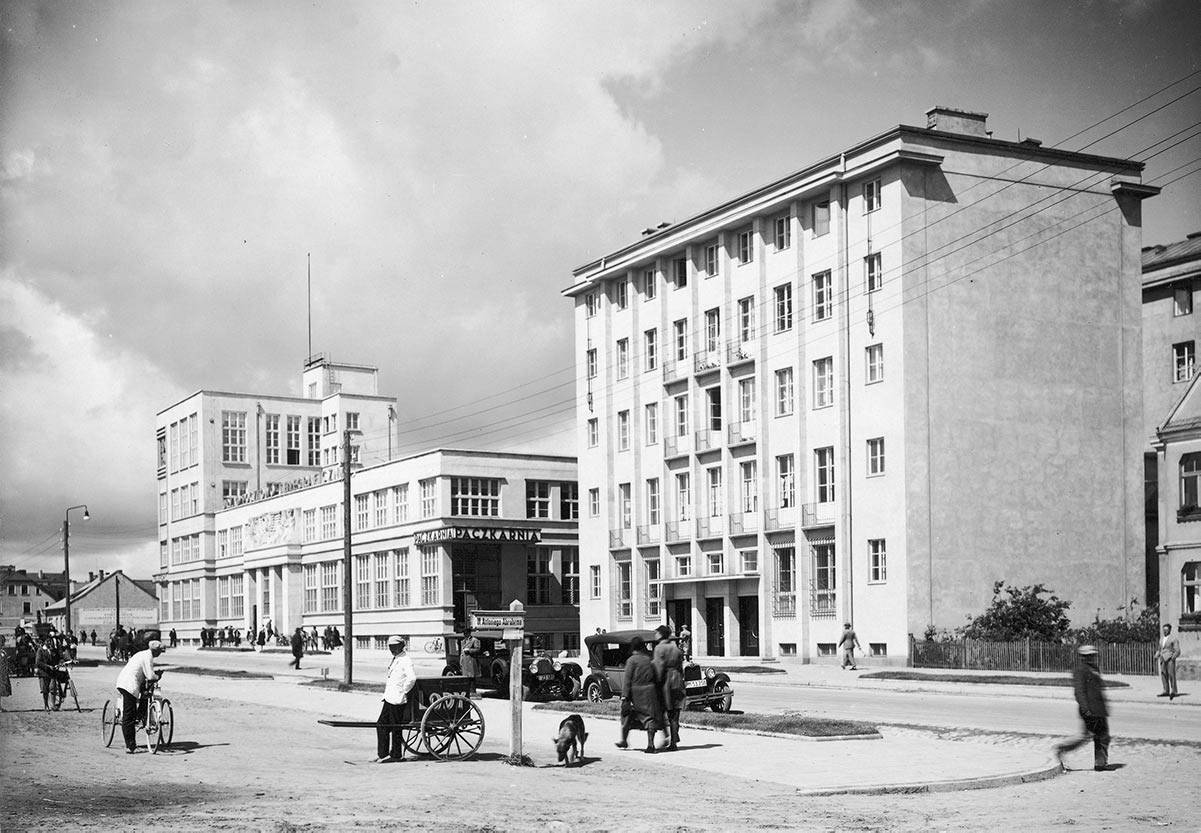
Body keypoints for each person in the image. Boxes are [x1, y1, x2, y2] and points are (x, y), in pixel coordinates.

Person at [1054, 645, 1110, 771]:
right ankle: (1062, 749)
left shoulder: (1095, 669)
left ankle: (1100, 763)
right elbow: (1079, 692)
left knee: (1102, 736)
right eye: (1088, 656)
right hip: (1089, 709)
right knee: (1092, 736)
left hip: (1099, 708)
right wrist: (1085, 708)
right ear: (1082, 657)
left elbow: (1098, 689)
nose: (1091, 657)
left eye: (1092, 655)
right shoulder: (1079, 670)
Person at [115, 639, 164, 754]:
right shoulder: (148, 657)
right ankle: (130, 746)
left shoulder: (142, 654)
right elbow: (150, 675)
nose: (160, 654)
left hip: (126, 681)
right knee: (129, 715)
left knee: (142, 699)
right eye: (160, 651)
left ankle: (140, 715)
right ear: (156, 651)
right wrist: (158, 676)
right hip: (128, 684)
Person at [616, 635, 663, 754]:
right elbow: (656, 677)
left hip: (636, 692)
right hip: (650, 691)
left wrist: (625, 696)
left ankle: (624, 740)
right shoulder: (649, 659)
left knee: (627, 716)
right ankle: (651, 744)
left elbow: (627, 680)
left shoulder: (631, 660)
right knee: (650, 717)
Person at [375, 635, 416, 763]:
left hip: (398, 699)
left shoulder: (405, 660)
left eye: (394, 647)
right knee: (381, 724)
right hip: (389, 698)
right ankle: (382, 754)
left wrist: (403, 691)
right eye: (390, 647)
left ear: (401, 646)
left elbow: (412, 678)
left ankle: (396, 755)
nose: (391, 649)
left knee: (395, 727)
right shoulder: (396, 658)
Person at [652, 625, 685, 752]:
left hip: (666, 681)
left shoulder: (659, 648)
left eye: (656, 633)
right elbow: (681, 666)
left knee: (663, 710)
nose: (655, 635)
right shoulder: (675, 648)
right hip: (677, 680)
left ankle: (668, 737)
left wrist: (657, 682)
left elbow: (659, 667)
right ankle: (674, 742)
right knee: (675, 713)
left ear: (661, 634)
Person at [34, 636, 66, 711]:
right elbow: (38, 662)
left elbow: (58, 658)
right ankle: (46, 705)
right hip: (43, 673)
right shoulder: (40, 650)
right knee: (45, 690)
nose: (49, 643)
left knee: (53, 688)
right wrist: (48, 666)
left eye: (50, 641)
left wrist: (60, 662)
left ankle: (53, 705)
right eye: (47, 641)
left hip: (52, 673)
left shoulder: (53, 650)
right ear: (44, 642)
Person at [1158, 623, 1181, 700]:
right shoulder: (1161, 639)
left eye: (1166, 630)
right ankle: (1166, 691)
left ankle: (1174, 691)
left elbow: (1177, 651)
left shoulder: (1173, 639)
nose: (1165, 631)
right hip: (1162, 659)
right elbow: (1160, 649)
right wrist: (1157, 655)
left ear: (1170, 630)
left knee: (1171, 675)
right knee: (1163, 675)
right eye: (1164, 630)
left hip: (1170, 659)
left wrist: (1173, 658)